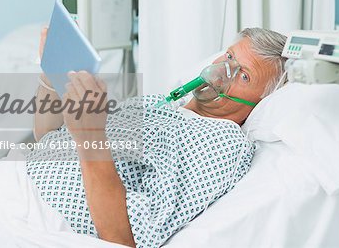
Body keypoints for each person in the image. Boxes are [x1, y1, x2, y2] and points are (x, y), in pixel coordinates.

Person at [27, 28, 287, 247]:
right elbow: (48, 139)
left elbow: (123, 239)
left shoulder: (222, 142)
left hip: (44, 225)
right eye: (229, 56)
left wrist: (90, 137)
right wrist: (51, 76)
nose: (222, 69)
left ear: (260, 103)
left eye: (243, 75)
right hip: (17, 194)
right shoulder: (160, 104)